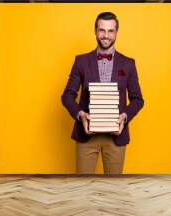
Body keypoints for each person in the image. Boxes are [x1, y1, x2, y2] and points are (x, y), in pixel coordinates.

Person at [61, 12, 144, 174]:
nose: (106, 36)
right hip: (86, 136)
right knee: (83, 188)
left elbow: (138, 99)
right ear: (95, 31)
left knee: (113, 190)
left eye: (110, 31)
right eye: (102, 30)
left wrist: (124, 116)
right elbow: (67, 96)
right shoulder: (81, 61)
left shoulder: (128, 64)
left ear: (116, 33)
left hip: (116, 138)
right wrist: (80, 114)